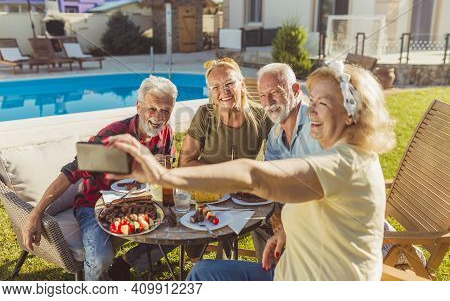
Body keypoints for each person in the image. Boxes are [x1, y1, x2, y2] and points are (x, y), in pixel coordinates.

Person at [105, 61, 396, 280]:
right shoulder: (344, 155)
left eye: (322, 103)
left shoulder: (345, 163)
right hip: (290, 270)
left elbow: (256, 175)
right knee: (203, 272)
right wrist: (286, 234)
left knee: (202, 275)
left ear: (351, 114)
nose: (311, 111)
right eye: (313, 102)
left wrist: (162, 176)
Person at [22, 75, 178, 280]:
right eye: (152, 108)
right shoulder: (111, 136)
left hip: (140, 202)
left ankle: (125, 264)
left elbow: (167, 170)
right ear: (138, 106)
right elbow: (71, 172)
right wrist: (35, 214)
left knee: (179, 231)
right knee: (100, 258)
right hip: (95, 205)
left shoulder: (166, 133)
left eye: (165, 110)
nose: (158, 117)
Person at [178, 57, 272, 260]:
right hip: (209, 192)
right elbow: (185, 162)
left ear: (242, 83)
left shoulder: (261, 117)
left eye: (229, 83)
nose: (224, 92)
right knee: (193, 234)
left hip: (247, 196)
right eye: (215, 87)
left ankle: (269, 272)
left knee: (270, 229)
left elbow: (277, 156)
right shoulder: (205, 115)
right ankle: (204, 267)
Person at [251, 63, 322, 262]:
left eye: (274, 92)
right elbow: (270, 180)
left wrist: (289, 219)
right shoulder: (275, 135)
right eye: (262, 96)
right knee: (259, 222)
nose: (268, 102)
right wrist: (275, 211)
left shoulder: (317, 125)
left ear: (295, 91)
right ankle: (274, 274)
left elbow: (322, 189)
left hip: (321, 219)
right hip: (294, 212)